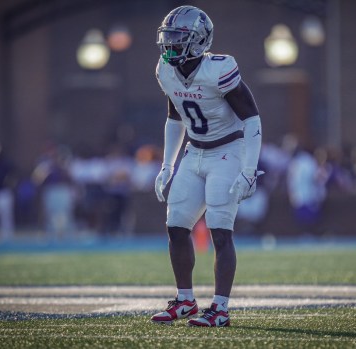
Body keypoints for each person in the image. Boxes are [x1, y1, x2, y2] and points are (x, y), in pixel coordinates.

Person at [150, 5, 263, 327]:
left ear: (199, 40)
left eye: (177, 37)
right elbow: (175, 116)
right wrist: (166, 166)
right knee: (176, 226)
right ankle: (185, 300)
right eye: (167, 36)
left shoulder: (219, 69)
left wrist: (249, 169)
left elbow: (252, 118)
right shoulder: (166, 69)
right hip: (194, 151)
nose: (169, 44)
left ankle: (221, 308)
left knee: (219, 230)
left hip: (228, 151)